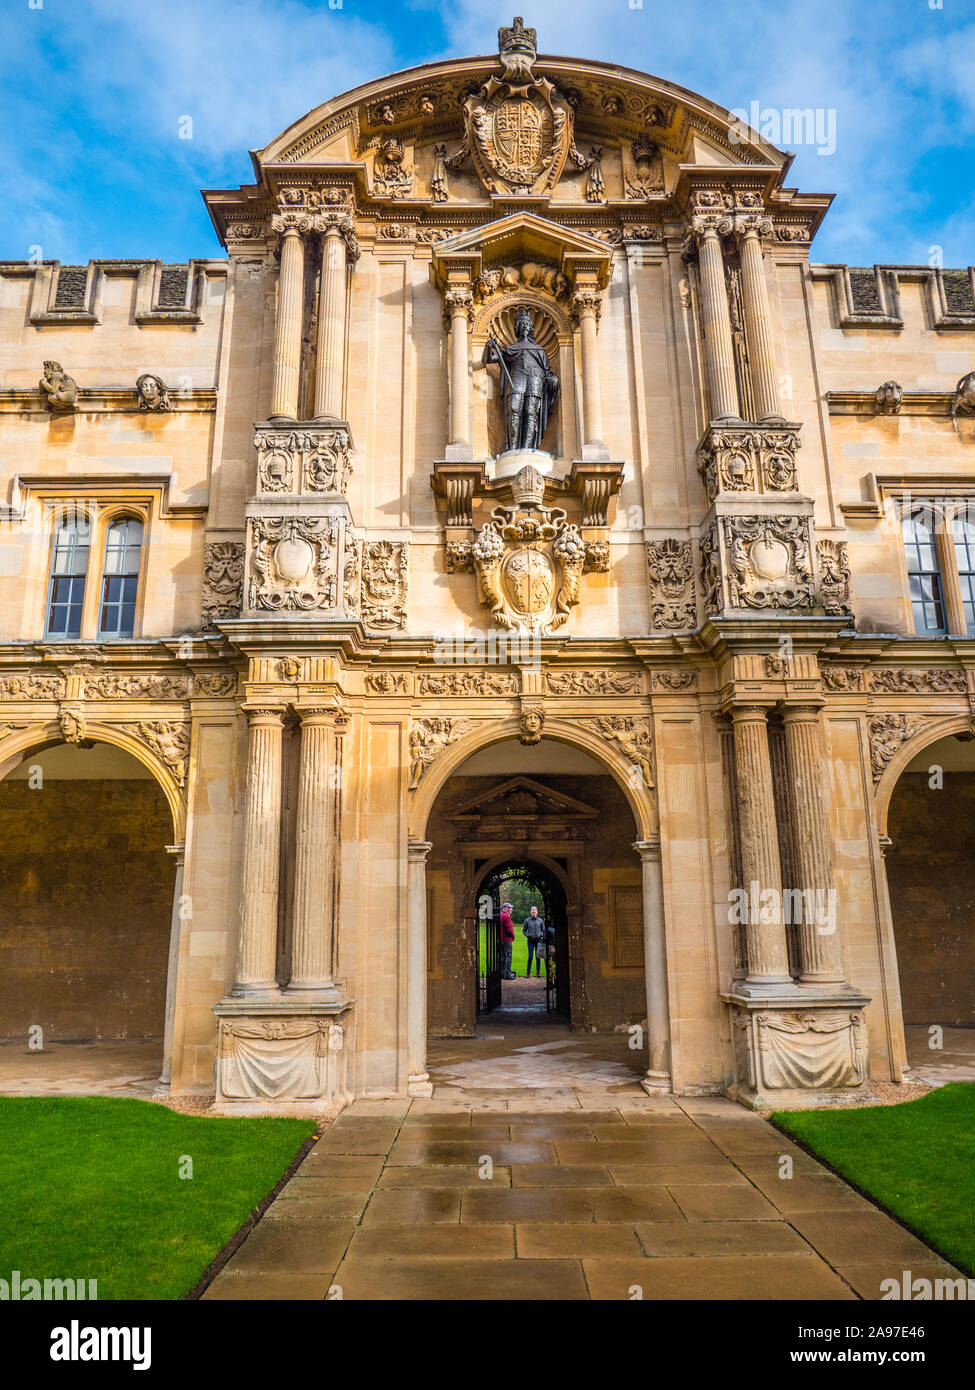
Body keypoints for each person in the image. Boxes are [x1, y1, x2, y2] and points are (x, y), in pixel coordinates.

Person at [522, 905, 546, 978]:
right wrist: (527, 935)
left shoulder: (540, 920)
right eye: (532, 912)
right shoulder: (527, 920)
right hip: (530, 941)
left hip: (538, 941)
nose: (533, 913)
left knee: (538, 956)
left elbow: (543, 930)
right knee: (530, 956)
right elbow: (524, 931)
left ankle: (538, 972)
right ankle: (528, 972)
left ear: (537, 912)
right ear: (530, 912)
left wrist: (541, 935)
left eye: (535, 911)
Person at [499, 902, 515, 980]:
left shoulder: (500, 915)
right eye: (509, 908)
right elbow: (509, 929)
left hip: (501, 939)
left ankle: (502, 973)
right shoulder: (506, 916)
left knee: (502, 956)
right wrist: (513, 936)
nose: (511, 909)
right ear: (505, 908)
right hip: (507, 939)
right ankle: (507, 974)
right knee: (508, 956)